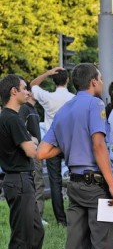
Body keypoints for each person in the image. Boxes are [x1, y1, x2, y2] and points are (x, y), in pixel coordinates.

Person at [37, 63, 113, 249]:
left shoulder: (64, 110)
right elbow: (98, 145)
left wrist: (70, 147)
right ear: (93, 82)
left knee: (74, 248)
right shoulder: (95, 105)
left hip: (73, 184)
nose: (102, 80)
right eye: (101, 76)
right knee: (103, 247)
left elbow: (42, 152)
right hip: (96, 185)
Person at [0, 74, 44, 249]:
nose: (28, 92)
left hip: (20, 180)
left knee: (36, 231)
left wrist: (31, 140)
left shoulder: (10, 118)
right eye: (25, 88)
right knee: (22, 233)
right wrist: (32, 140)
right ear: (13, 92)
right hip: (18, 180)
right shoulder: (12, 118)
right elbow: (30, 150)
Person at [31, 67, 74, 226]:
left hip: (51, 142)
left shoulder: (47, 97)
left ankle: (61, 220)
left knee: (54, 181)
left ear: (53, 81)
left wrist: (47, 73)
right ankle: (76, 215)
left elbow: (33, 85)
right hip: (70, 143)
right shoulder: (73, 98)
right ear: (68, 80)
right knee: (76, 178)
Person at [18, 81, 46, 223]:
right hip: (31, 153)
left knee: (39, 183)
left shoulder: (33, 110)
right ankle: (36, 218)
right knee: (37, 183)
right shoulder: (24, 109)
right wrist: (31, 138)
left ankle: (38, 216)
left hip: (37, 152)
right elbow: (19, 128)